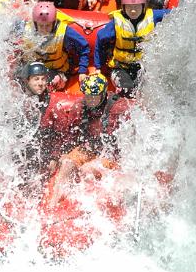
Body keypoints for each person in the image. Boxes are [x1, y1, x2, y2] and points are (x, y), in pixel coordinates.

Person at [44, 72, 131, 207]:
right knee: (67, 163)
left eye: (94, 96)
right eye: (88, 95)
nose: (90, 99)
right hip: (90, 149)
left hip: (111, 154)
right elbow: (70, 136)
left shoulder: (118, 108)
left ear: (103, 94)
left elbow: (128, 139)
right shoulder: (79, 106)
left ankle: (85, 205)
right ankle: (54, 202)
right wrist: (62, 154)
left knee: (87, 169)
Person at [94, 0, 169, 96]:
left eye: (136, 7)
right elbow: (100, 39)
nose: (133, 11)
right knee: (127, 90)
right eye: (129, 7)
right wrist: (98, 66)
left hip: (143, 67)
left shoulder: (154, 16)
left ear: (143, 6)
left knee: (149, 90)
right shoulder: (116, 22)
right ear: (123, 7)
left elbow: (175, 13)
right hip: (120, 68)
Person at [13, 1, 90, 90]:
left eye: (48, 26)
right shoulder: (25, 29)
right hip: (33, 67)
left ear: (54, 23)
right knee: (16, 76)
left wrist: (82, 70)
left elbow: (84, 47)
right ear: (35, 24)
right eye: (41, 26)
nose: (44, 29)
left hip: (56, 71)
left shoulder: (65, 32)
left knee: (49, 83)